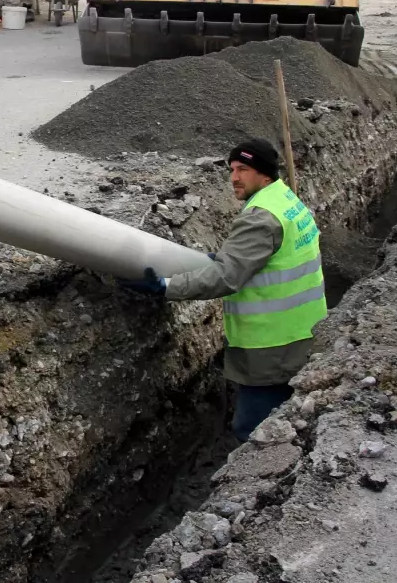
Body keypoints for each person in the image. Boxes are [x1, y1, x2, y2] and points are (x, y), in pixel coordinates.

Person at [122, 139, 326, 441]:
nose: (234, 177)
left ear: (265, 175)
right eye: (232, 169)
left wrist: (167, 286)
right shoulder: (286, 201)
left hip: (270, 345)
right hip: (303, 332)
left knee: (254, 431)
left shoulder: (260, 217)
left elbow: (227, 277)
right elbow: (264, 260)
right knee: (291, 416)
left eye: (243, 169)